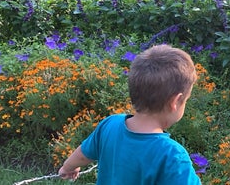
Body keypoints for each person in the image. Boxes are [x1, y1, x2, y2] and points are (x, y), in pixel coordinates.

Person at [58, 44, 202, 184]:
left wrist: (68, 167)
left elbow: (83, 155)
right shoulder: (172, 155)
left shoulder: (110, 125)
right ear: (175, 102)